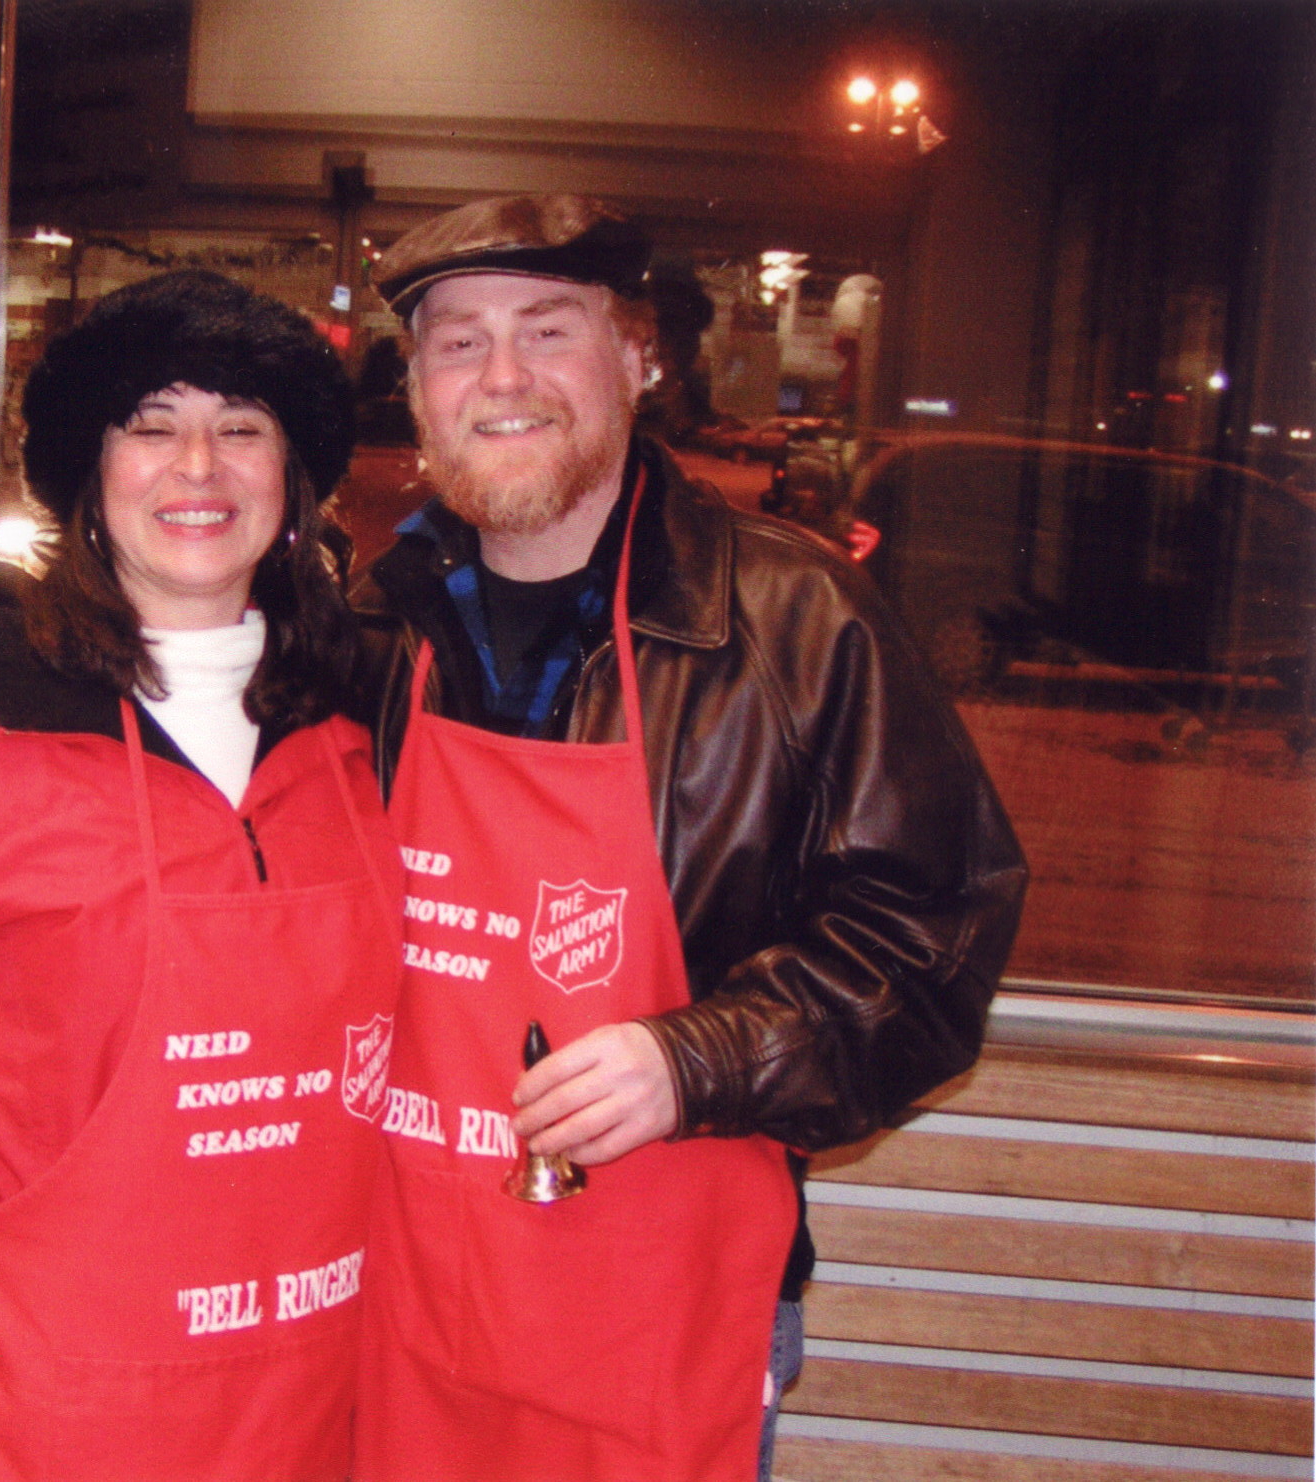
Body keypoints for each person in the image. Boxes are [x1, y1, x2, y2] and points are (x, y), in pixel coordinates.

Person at [349, 195, 1027, 1482]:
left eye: (548, 331)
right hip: (407, 1290)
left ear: (638, 358)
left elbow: (935, 944)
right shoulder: (375, 623)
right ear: (419, 391)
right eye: (457, 343)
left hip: (664, 1305)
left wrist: (695, 1062)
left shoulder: (792, 619)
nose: (502, 378)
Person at [0, 270, 403, 1482]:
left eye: (242, 430)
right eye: (152, 427)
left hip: (316, 1402)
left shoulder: (370, 730)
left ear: (293, 481)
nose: (197, 467)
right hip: (32, 1412)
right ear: (88, 479)